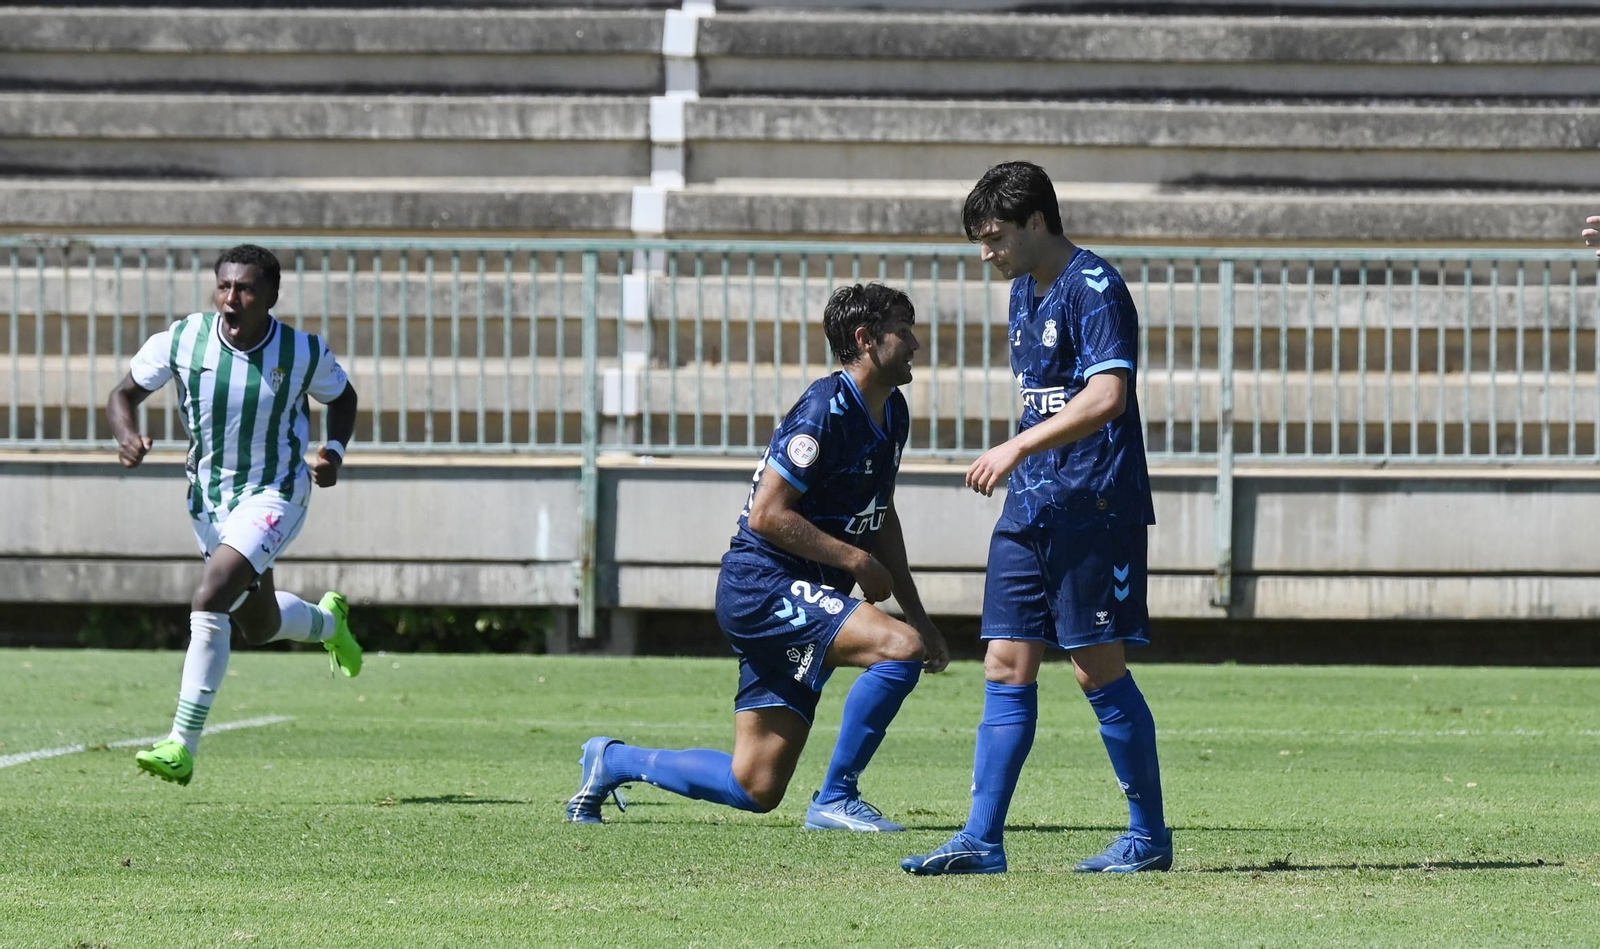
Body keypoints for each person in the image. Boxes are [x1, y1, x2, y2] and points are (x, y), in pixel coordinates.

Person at [566, 283, 949, 830]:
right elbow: (767, 515)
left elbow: (879, 513)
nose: (915, 344)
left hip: (802, 596)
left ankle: (613, 760)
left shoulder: (893, 412)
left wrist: (920, 615)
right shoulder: (825, 410)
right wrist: (856, 562)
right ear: (866, 339)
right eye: (903, 331)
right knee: (899, 649)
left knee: (754, 787)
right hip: (762, 587)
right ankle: (837, 797)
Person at [903, 162, 1170, 875]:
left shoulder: (1096, 288)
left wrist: (1016, 446)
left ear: (1037, 222)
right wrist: (1023, 458)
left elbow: (1107, 396)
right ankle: (981, 840)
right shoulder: (1023, 290)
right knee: (1004, 662)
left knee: (1095, 669)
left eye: (995, 237)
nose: (985, 253)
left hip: (1094, 504)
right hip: (1032, 505)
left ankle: (1148, 837)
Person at [106, 243, 364, 787]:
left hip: (276, 492)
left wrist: (334, 453)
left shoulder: (301, 351)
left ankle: (181, 744)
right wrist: (127, 436)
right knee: (259, 624)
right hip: (209, 501)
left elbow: (343, 398)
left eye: (245, 289)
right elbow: (122, 395)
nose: (231, 298)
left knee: (211, 595)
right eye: (224, 286)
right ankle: (328, 623)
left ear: (270, 296)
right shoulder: (183, 339)